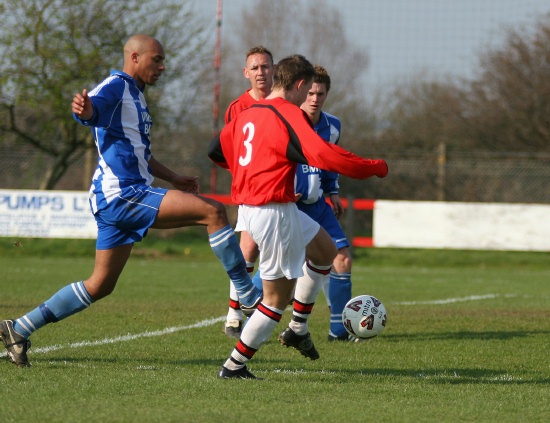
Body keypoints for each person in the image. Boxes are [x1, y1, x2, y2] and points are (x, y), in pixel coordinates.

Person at [0, 34, 260, 368]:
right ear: (134, 57)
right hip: (123, 194)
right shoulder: (117, 85)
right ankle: (248, 295)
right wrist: (86, 110)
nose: (162, 67)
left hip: (117, 196)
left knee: (99, 285)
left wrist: (174, 179)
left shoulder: (135, 95)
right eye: (157, 59)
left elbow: (139, 153)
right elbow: (93, 106)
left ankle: (19, 327)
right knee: (213, 212)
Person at [208, 54, 387, 379]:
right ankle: (234, 366)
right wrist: (372, 168)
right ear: (300, 84)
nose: (309, 99)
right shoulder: (287, 113)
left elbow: (215, 150)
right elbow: (324, 155)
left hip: (268, 207)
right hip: (273, 211)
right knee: (276, 301)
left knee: (325, 251)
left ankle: (299, 328)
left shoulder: (251, 112)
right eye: (308, 92)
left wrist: (247, 172)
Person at [294, 65, 358, 342]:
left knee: (341, 259)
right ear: (301, 91)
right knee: (279, 270)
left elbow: (330, 163)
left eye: (320, 93)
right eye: (309, 92)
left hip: (318, 206)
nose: (314, 98)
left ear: (326, 94)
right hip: (289, 206)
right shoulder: (287, 121)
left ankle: (339, 331)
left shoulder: (332, 126)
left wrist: (333, 192)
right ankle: (244, 310)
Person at [222, 46, 275, 338]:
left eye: (265, 66)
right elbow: (231, 150)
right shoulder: (237, 107)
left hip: (279, 191)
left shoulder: (283, 103)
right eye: (254, 68)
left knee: (274, 254)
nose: (260, 72)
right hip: (251, 191)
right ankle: (234, 313)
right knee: (248, 249)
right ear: (246, 73)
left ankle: (266, 312)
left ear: (273, 69)